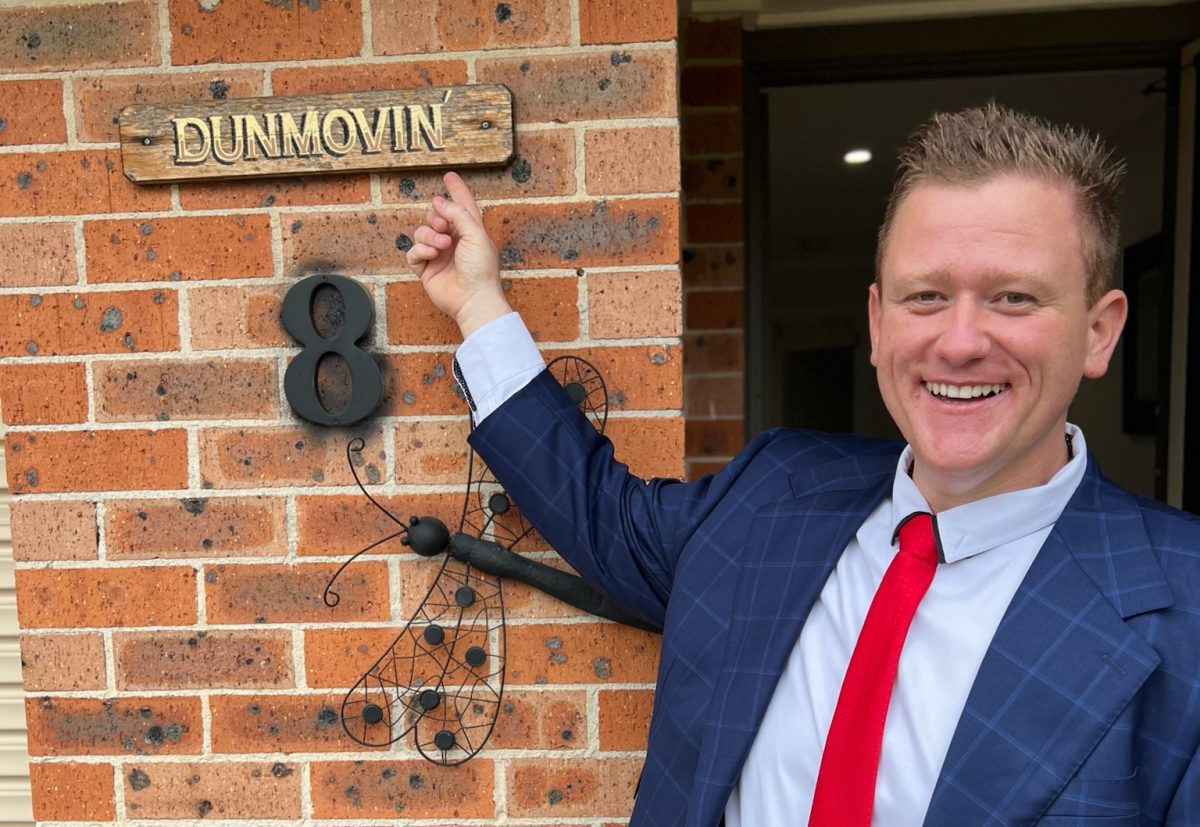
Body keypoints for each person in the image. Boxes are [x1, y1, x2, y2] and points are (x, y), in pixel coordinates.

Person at [406, 104, 1200, 826]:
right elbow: (600, 511)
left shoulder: (1184, 609)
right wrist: (478, 307)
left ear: (1100, 331)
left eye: (1014, 299)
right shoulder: (776, 491)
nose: (960, 341)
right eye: (925, 296)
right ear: (878, 322)